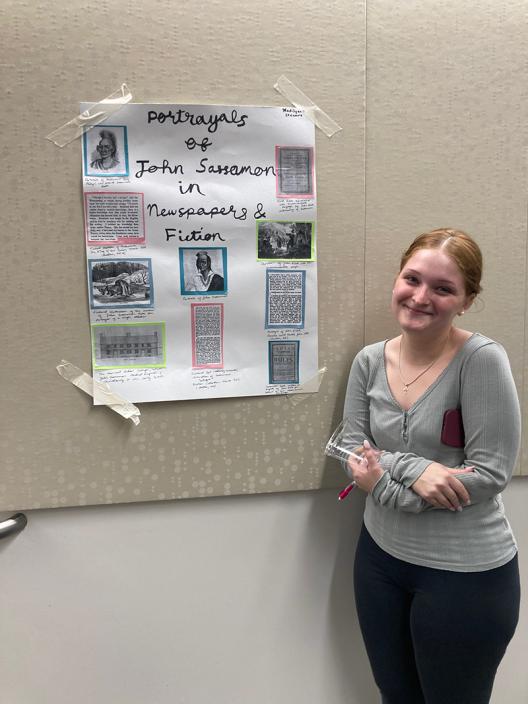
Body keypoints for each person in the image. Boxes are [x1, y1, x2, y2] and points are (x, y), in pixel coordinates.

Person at [342, 228, 521, 704]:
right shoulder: (368, 362)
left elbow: (488, 475)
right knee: (395, 695)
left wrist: (382, 476)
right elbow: (346, 448)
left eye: (443, 289)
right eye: (412, 279)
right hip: (379, 561)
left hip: (464, 576)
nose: (421, 297)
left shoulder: (480, 361)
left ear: (466, 301)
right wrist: (414, 472)